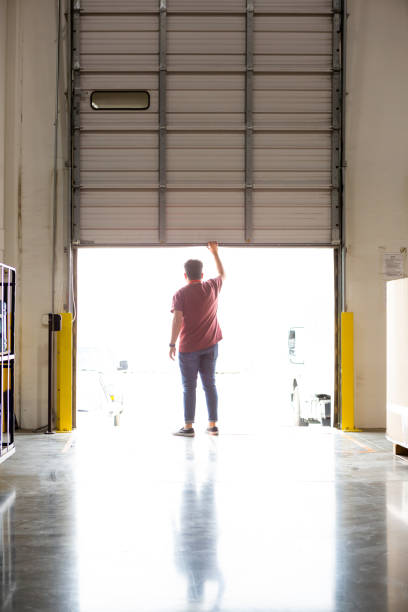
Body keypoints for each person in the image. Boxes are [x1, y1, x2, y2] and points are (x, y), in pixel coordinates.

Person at [169, 241, 226, 437]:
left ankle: (188, 427)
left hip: (188, 348)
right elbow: (222, 274)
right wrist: (215, 253)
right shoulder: (211, 287)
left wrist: (171, 344)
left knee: (189, 387)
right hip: (211, 344)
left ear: (186, 275)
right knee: (210, 384)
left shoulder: (180, 294)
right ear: (202, 275)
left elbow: (177, 319)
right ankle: (212, 425)